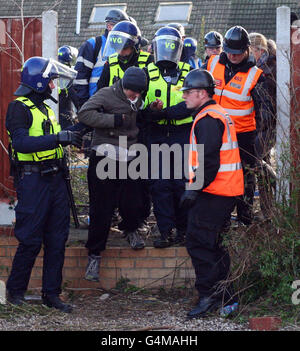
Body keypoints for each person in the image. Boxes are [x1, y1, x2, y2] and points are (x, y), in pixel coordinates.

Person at [5, 56, 83, 312]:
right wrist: (58, 138)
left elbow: (55, 141)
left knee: (57, 239)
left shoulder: (47, 109)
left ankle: (52, 295)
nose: (53, 86)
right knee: (30, 240)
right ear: (39, 82)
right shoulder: (19, 108)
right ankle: (16, 293)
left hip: (55, 179)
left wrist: (73, 136)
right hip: (32, 180)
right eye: (50, 80)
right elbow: (21, 144)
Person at [179, 69, 244, 318]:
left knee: (199, 242)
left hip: (215, 192)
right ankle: (227, 297)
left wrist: (193, 190)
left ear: (201, 93)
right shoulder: (216, 114)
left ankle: (208, 296)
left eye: (187, 92)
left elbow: (208, 161)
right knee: (214, 245)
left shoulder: (208, 119)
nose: (184, 96)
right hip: (222, 190)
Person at [77, 67, 148, 282]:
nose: (134, 96)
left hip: (131, 155)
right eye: (131, 92)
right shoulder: (107, 94)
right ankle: (94, 255)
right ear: (123, 86)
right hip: (105, 155)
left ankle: (130, 229)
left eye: (137, 93)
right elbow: (84, 113)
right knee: (101, 208)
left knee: (134, 201)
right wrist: (113, 120)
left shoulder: (139, 96)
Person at [203, 25, 271, 225]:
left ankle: (245, 217)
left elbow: (264, 110)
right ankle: (218, 217)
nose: (233, 57)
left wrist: (260, 136)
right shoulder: (212, 63)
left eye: (238, 53)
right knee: (214, 173)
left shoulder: (256, 75)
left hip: (242, 134)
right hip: (214, 130)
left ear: (247, 50)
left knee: (245, 177)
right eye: (230, 52)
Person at [141, 26, 193, 248]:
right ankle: (165, 231)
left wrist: (164, 113)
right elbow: (138, 106)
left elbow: (191, 104)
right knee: (160, 185)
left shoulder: (189, 71)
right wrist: (152, 111)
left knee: (182, 184)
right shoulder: (146, 72)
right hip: (156, 134)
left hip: (182, 134)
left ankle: (184, 230)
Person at [73, 8, 129, 158]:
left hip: (117, 110)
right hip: (97, 108)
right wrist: (86, 108)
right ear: (109, 26)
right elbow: (79, 80)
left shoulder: (124, 48)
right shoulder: (93, 45)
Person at [97, 20, 153, 90]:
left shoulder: (148, 61)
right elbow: (100, 91)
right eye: (116, 48)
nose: (120, 52)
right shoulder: (110, 63)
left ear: (134, 46)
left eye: (124, 48)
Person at [57, 45, 79, 130]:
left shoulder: (54, 75)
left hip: (54, 117)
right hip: (66, 119)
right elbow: (76, 101)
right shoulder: (69, 78)